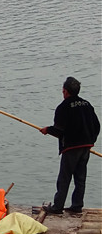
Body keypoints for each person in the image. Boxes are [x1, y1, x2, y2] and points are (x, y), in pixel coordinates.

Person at [39, 76, 100, 214]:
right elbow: (97, 126)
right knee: (80, 177)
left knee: (64, 178)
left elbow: (59, 130)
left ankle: (57, 207)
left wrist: (47, 130)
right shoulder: (87, 104)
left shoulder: (63, 107)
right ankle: (77, 206)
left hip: (71, 148)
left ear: (65, 91)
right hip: (86, 146)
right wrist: (92, 140)